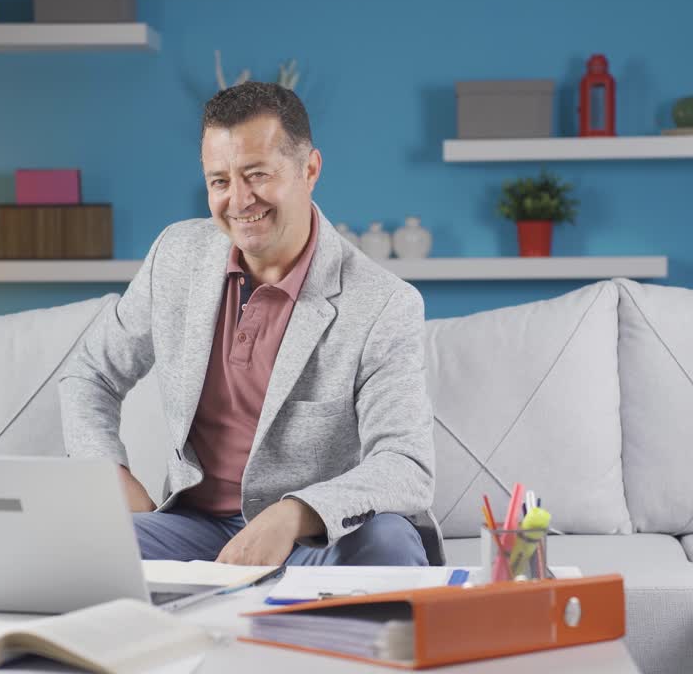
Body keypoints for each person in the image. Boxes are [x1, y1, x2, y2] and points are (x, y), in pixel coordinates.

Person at [59, 81, 441, 566]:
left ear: (310, 169)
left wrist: (293, 514)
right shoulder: (176, 256)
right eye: (220, 181)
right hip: (194, 531)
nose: (239, 200)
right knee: (78, 549)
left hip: (316, 539)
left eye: (257, 174)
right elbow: (89, 374)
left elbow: (404, 464)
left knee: (388, 543)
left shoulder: (384, 304)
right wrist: (108, 471)